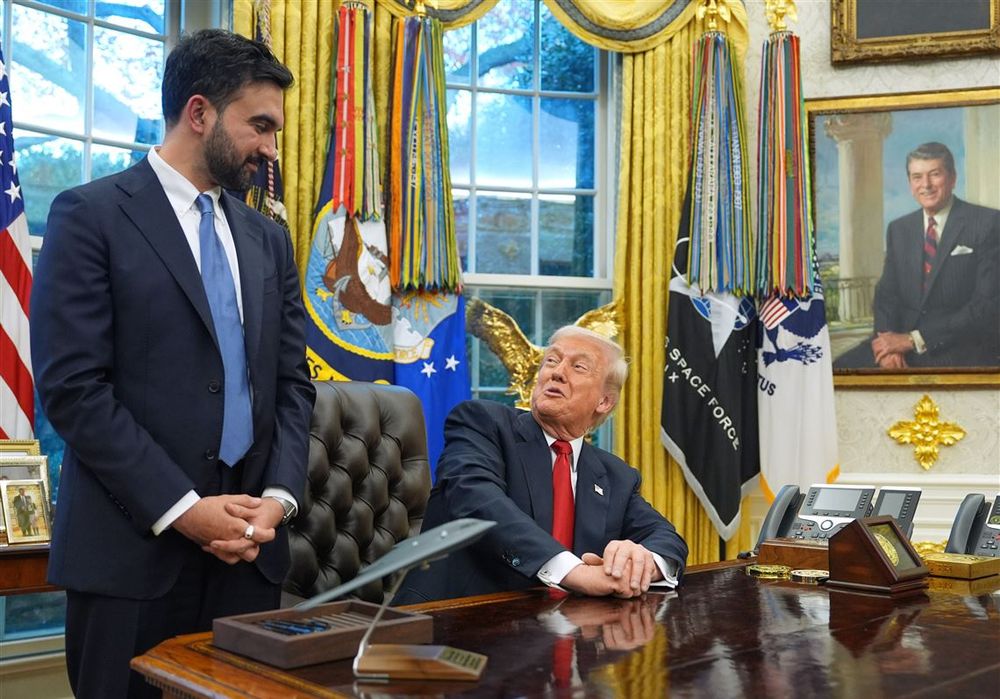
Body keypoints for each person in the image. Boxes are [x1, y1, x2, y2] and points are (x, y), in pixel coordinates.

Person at [30, 30, 315, 698]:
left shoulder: (268, 238)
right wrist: (185, 508)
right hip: (132, 560)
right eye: (261, 126)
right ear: (199, 112)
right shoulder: (90, 215)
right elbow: (74, 389)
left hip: (250, 564)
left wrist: (276, 500)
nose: (271, 148)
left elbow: (292, 385)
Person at [395, 326, 688, 604]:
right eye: (552, 360)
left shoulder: (616, 476)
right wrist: (576, 573)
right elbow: (478, 502)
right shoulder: (482, 424)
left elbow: (665, 537)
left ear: (604, 402)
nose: (557, 372)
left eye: (578, 367)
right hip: (450, 629)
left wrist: (640, 564)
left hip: (565, 633)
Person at [836, 142, 1000, 369]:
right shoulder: (899, 229)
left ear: (952, 178)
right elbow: (886, 295)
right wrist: (887, 345)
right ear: (909, 183)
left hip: (957, 344)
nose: (926, 185)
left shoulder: (987, 223)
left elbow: (986, 306)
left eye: (935, 174)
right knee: (836, 371)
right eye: (917, 177)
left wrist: (913, 340)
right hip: (900, 340)